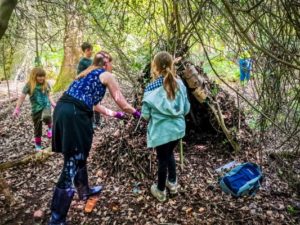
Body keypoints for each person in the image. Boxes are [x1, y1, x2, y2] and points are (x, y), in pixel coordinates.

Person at [48, 50, 140, 225]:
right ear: (106, 64)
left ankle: (84, 191)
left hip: (63, 110)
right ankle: (57, 218)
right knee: (72, 162)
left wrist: (116, 115)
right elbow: (120, 99)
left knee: (79, 153)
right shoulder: (106, 74)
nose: (112, 67)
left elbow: (94, 105)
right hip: (74, 115)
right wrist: (136, 113)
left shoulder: (86, 74)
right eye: (111, 63)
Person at [141, 51, 190, 202]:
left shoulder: (150, 88)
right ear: (171, 65)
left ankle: (161, 191)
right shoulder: (180, 84)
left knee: (163, 159)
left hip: (161, 132)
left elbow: (145, 115)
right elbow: (186, 109)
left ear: (154, 67)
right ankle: (173, 184)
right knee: (169, 155)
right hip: (178, 130)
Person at [13, 68, 56, 151]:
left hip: (46, 106)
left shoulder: (46, 84)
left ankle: (50, 127)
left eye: (43, 76)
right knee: (37, 129)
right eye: (39, 76)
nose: (41, 78)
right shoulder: (29, 85)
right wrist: (17, 109)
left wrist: (53, 104)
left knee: (47, 116)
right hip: (35, 110)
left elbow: (49, 95)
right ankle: (38, 146)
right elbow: (22, 97)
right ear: (34, 76)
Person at [77, 42, 101, 128]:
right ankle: (92, 122)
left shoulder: (93, 61)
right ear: (84, 51)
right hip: (88, 86)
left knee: (97, 103)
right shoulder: (82, 62)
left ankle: (98, 121)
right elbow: (79, 75)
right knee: (90, 104)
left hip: (96, 85)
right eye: (88, 50)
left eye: (91, 50)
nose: (90, 51)